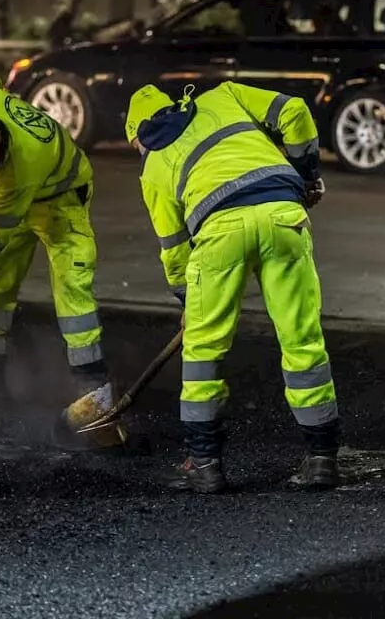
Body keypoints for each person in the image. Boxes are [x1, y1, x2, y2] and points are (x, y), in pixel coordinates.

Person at [123, 81, 338, 494]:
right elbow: (293, 110)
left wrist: (188, 300)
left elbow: (173, 248)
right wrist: (308, 175)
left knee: (203, 352)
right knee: (302, 341)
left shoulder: (153, 167)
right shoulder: (222, 95)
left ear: (138, 134)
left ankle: (204, 466)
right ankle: (322, 461)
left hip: (220, 233)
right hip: (282, 216)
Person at [0, 74, 119, 445]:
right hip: (18, 197)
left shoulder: (21, 166)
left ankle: (92, 389)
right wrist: (4, 95)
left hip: (60, 198)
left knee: (71, 287)